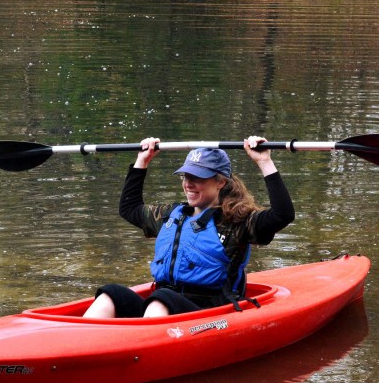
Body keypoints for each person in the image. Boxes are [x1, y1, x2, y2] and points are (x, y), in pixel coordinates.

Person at [83, 136, 295, 318]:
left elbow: (282, 215)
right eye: (186, 176)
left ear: (220, 181)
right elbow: (129, 209)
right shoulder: (171, 215)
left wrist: (264, 161)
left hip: (212, 311)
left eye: (197, 178)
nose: (188, 184)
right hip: (164, 306)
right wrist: (142, 161)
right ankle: (82, 344)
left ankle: (140, 350)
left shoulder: (236, 222)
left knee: (160, 299)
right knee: (111, 294)